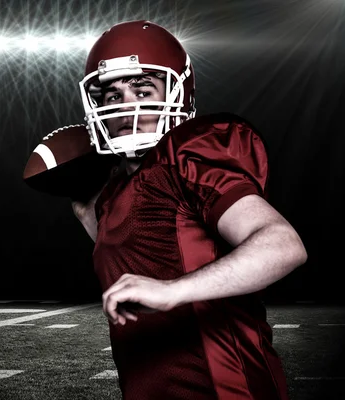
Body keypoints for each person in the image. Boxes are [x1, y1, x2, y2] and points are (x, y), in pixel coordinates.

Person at [70, 20, 308, 400]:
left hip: (224, 389)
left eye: (142, 89)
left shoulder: (188, 153)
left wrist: (174, 291)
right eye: (112, 96)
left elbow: (282, 245)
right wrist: (84, 209)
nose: (126, 105)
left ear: (178, 94)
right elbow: (143, 252)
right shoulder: (113, 192)